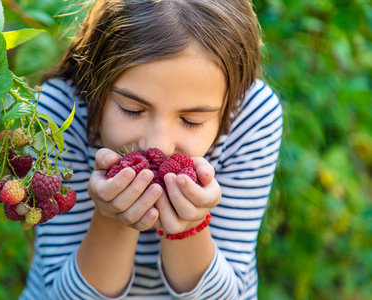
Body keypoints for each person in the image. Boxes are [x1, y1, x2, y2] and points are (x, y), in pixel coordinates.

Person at [20, 0, 283, 299]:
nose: (158, 144)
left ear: (228, 104)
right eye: (133, 110)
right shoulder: (57, 116)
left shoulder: (252, 116)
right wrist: (112, 218)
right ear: (95, 80)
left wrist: (188, 228)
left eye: (190, 120)